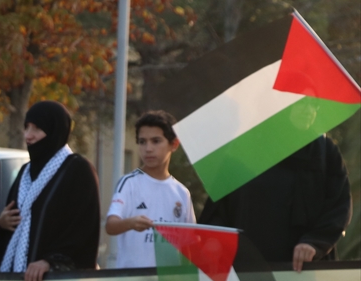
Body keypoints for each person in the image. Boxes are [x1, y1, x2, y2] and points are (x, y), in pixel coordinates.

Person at [200, 133, 351, 272]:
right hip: (247, 273)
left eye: (313, 105)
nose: (309, 110)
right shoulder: (242, 149)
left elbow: (339, 204)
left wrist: (315, 242)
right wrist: (215, 241)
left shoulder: (323, 149)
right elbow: (218, 209)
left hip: (304, 271)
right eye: (299, 104)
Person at [0, 100, 101, 281]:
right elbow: (16, 219)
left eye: (37, 129)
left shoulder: (78, 170)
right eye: (26, 127)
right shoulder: (26, 173)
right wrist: (2, 223)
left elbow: (83, 230)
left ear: (55, 131)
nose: (29, 136)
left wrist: (50, 262)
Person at [105, 110, 196, 268]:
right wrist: (130, 223)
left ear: (174, 144)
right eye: (142, 142)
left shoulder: (182, 192)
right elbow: (111, 225)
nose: (148, 148)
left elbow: (189, 244)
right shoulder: (128, 183)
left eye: (156, 141)